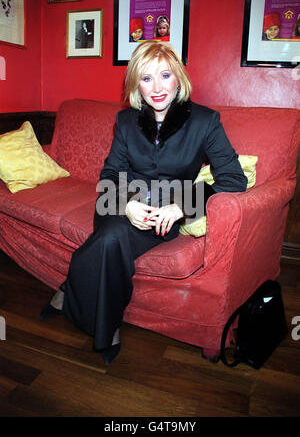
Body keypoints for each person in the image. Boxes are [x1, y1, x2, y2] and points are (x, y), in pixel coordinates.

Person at [40, 41, 247, 365]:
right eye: (146, 78)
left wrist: (181, 206)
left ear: (179, 77)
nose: (157, 86)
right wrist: (128, 206)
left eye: (165, 75)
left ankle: (68, 290)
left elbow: (235, 179)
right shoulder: (126, 122)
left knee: (109, 241)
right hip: (120, 201)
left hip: (167, 211)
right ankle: (106, 331)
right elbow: (109, 175)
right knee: (110, 234)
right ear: (137, 84)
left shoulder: (205, 121)